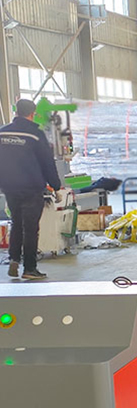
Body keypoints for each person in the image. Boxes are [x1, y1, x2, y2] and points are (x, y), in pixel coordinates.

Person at [0, 98, 61, 280]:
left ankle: (14, 259)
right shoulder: (35, 134)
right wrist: (56, 185)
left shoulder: (2, 132)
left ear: (16, 112)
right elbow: (47, 162)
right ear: (32, 114)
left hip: (9, 186)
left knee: (16, 223)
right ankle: (29, 268)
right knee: (31, 228)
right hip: (31, 187)